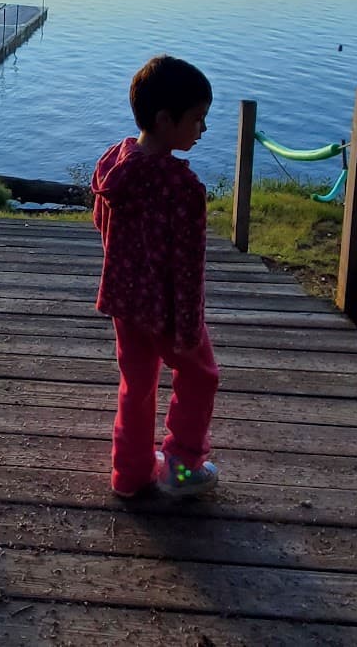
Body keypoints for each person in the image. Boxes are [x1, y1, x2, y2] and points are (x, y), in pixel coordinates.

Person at [91, 54, 220, 498]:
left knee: (138, 385)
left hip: (124, 302)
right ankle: (182, 467)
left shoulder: (115, 163)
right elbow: (188, 266)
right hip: (166, 308)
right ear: (166, 120)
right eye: (198, 119)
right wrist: (188, 325)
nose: (203, 130)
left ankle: (129, 474)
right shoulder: (181, 189)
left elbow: (99, 220)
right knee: (201, 376)